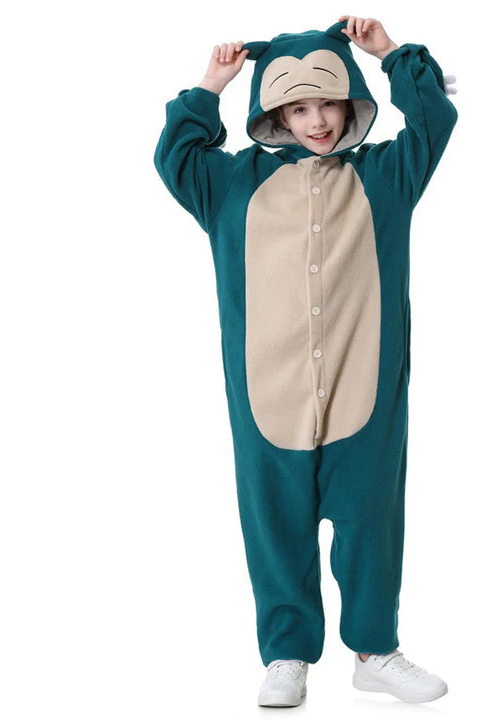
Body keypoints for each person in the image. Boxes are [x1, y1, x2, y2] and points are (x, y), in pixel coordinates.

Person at [153, 15, 458, 707]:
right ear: (273, 113)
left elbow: (433, 119)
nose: (316, 120)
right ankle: (287, 654)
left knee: (370, 518)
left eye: (327, 103)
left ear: (350, 102)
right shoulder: (231, 184)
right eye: (297, 108)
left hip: (363, 387)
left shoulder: (386, 177)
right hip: (269, 391)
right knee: (275, 522)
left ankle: (375, 650)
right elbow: (176, 155)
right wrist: (210, 86)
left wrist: (390, 53)